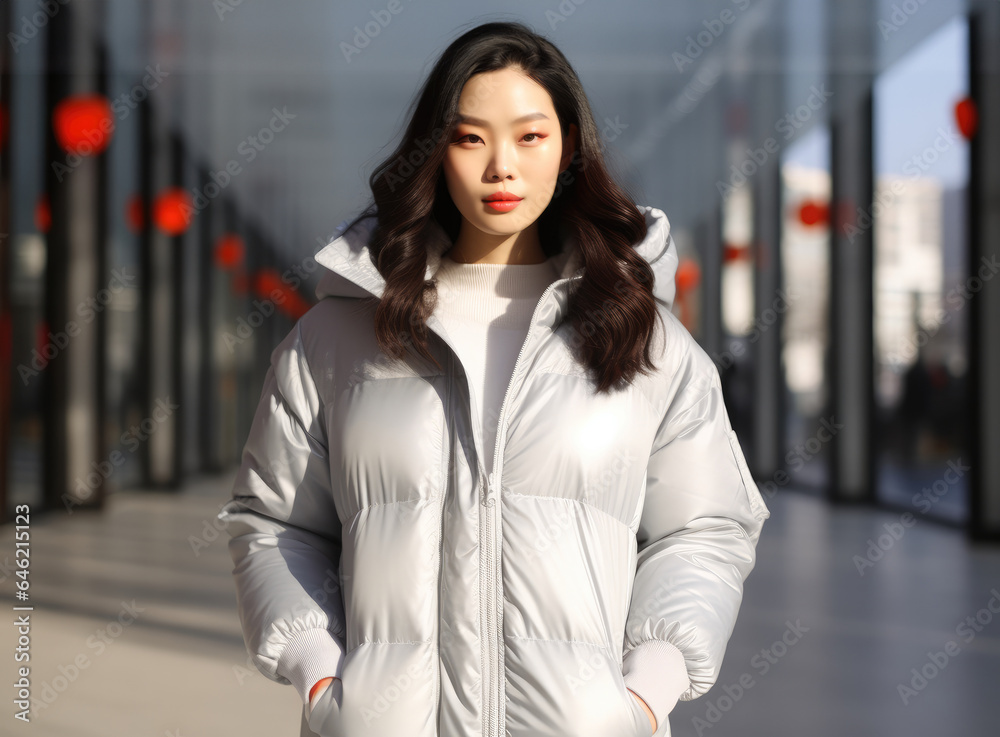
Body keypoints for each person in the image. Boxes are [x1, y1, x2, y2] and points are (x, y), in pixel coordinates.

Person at [217, 20, 770, 737]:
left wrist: (640, 693)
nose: (500, 166)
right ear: (435, 151)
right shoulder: (335, 338)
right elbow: (274, 523)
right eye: (470, 137)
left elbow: (705, 529)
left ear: (568, 146)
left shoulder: (647, 340)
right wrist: (320, 670)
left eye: (530, 136)